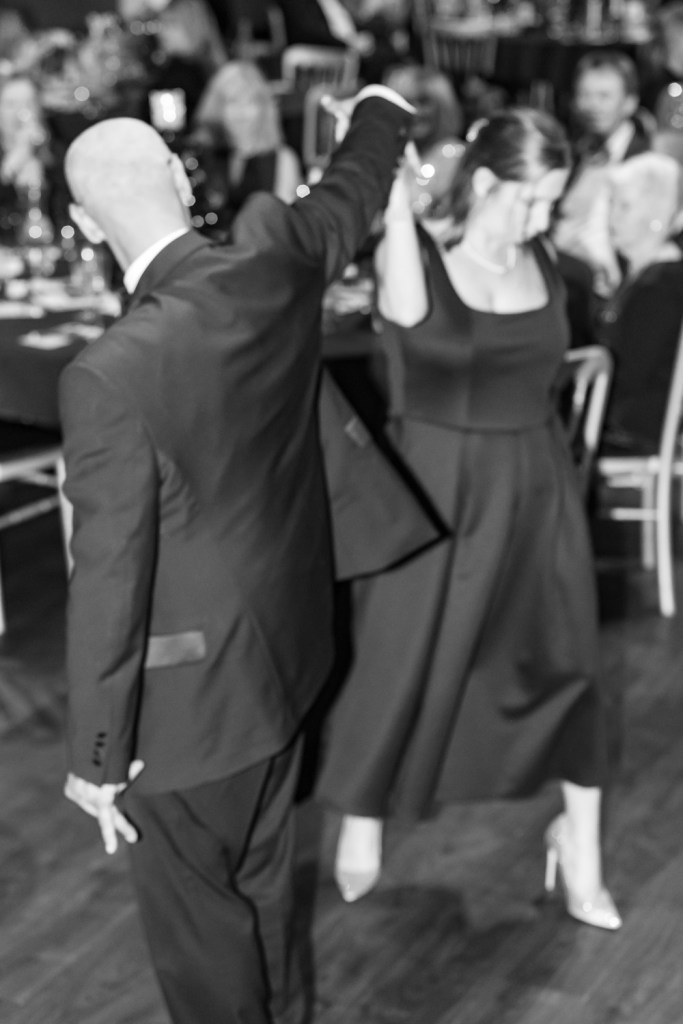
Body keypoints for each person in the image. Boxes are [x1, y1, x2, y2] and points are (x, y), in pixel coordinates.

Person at [59, 87, 413, 1024]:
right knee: (262, 890)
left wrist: (97, 755)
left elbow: (107, 576)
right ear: (182, 180)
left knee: (201, 936)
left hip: (189, 715)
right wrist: (380, 112)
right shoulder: (273, 258)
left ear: (84, 226)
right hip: (290, 659)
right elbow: (349, 195)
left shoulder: (106, 373)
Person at [314, 108, 622, 932]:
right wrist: (392, 186)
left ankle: (580, 848)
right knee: (398, 655)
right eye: (530, 198)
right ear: (485, 181)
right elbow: (405, 309)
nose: (540, 219)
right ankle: (363, 814)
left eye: (551, 201)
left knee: (567, 664)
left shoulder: (546, 261)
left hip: (536, 486)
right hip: (435, 489)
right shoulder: (419, 260)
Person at [599, 151, 683, 453]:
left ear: (658, 217)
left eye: (625, 206)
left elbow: (625, 376)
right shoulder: (645, 276)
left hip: (634, 439)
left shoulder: (661, 285)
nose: (612, 217)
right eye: (612, 203)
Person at [192, 59, 303, 223]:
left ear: (263, 108)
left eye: (250, 102)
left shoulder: (282, 159)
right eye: (233, 102)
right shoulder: (208, 156)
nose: (242, 113)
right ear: (218, 108)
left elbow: (283, 225)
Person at [383, 63, 465, 220]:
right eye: (407, 102)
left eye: (424, 102)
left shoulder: (455, 156)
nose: (416, 111)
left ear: (442, 106)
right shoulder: (390, 153)